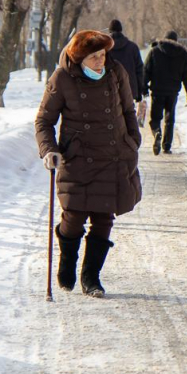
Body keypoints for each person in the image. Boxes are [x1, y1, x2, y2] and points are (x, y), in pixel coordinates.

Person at [35, 30, 142, 298]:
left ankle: (91, 277)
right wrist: (49, 150)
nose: (100, 62)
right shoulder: (63, 78)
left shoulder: (116, 72)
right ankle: (67, 261)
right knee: (74, 216)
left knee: (104, 217)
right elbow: (44, 121)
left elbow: (128, 109)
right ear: (80, 57)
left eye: (102, 55)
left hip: (113, 156)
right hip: (79, 159)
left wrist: (132, 140)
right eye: (93, 57)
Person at [143, 30, 187, 155]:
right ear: (176, 41)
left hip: (157, 90)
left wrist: (143, 88)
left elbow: (146, 71)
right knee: (169, 119)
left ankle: (157, 132)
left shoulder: (155, 51)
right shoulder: (182, 54)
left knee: (155, 117)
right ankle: (166, 146)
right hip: (172, 92)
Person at [107, 19, 144, 103]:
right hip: (130, 89)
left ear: (109, 31)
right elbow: (139, 70)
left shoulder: (104, 49)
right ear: (121, 30)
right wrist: (139, 91)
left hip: (109, 89)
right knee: (128, 114)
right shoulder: (133, 47)